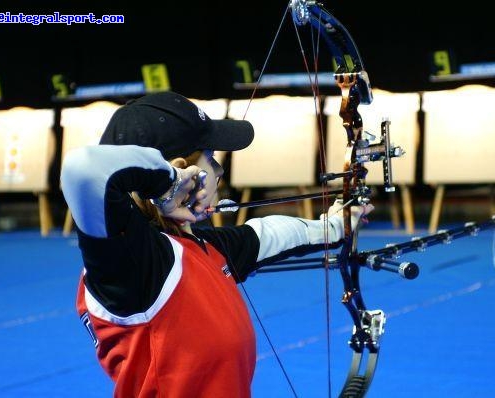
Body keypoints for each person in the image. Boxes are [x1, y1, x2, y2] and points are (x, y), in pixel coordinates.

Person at [60, 91, 373, 397]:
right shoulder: (131, 265)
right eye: (211, 159)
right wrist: (166, 182)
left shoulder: (196, 248)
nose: (220, 171)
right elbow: (83, 169)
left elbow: (265, 234)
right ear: (185, 170)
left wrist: (333, 226)